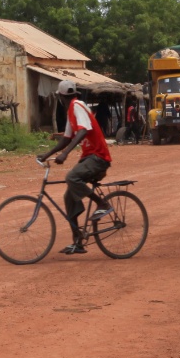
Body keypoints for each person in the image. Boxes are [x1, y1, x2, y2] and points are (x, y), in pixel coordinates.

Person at [37, 79, 113, 255]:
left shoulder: (77, 105)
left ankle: (102, 203)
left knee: (71, 177)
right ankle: (78, 241)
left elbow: (83, 130)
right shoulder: (72, 111)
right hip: (89, 158)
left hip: (98, 158)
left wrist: (65, 154)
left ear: (62, 97)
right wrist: (47, 155)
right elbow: (66, 138)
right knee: (69, 197)